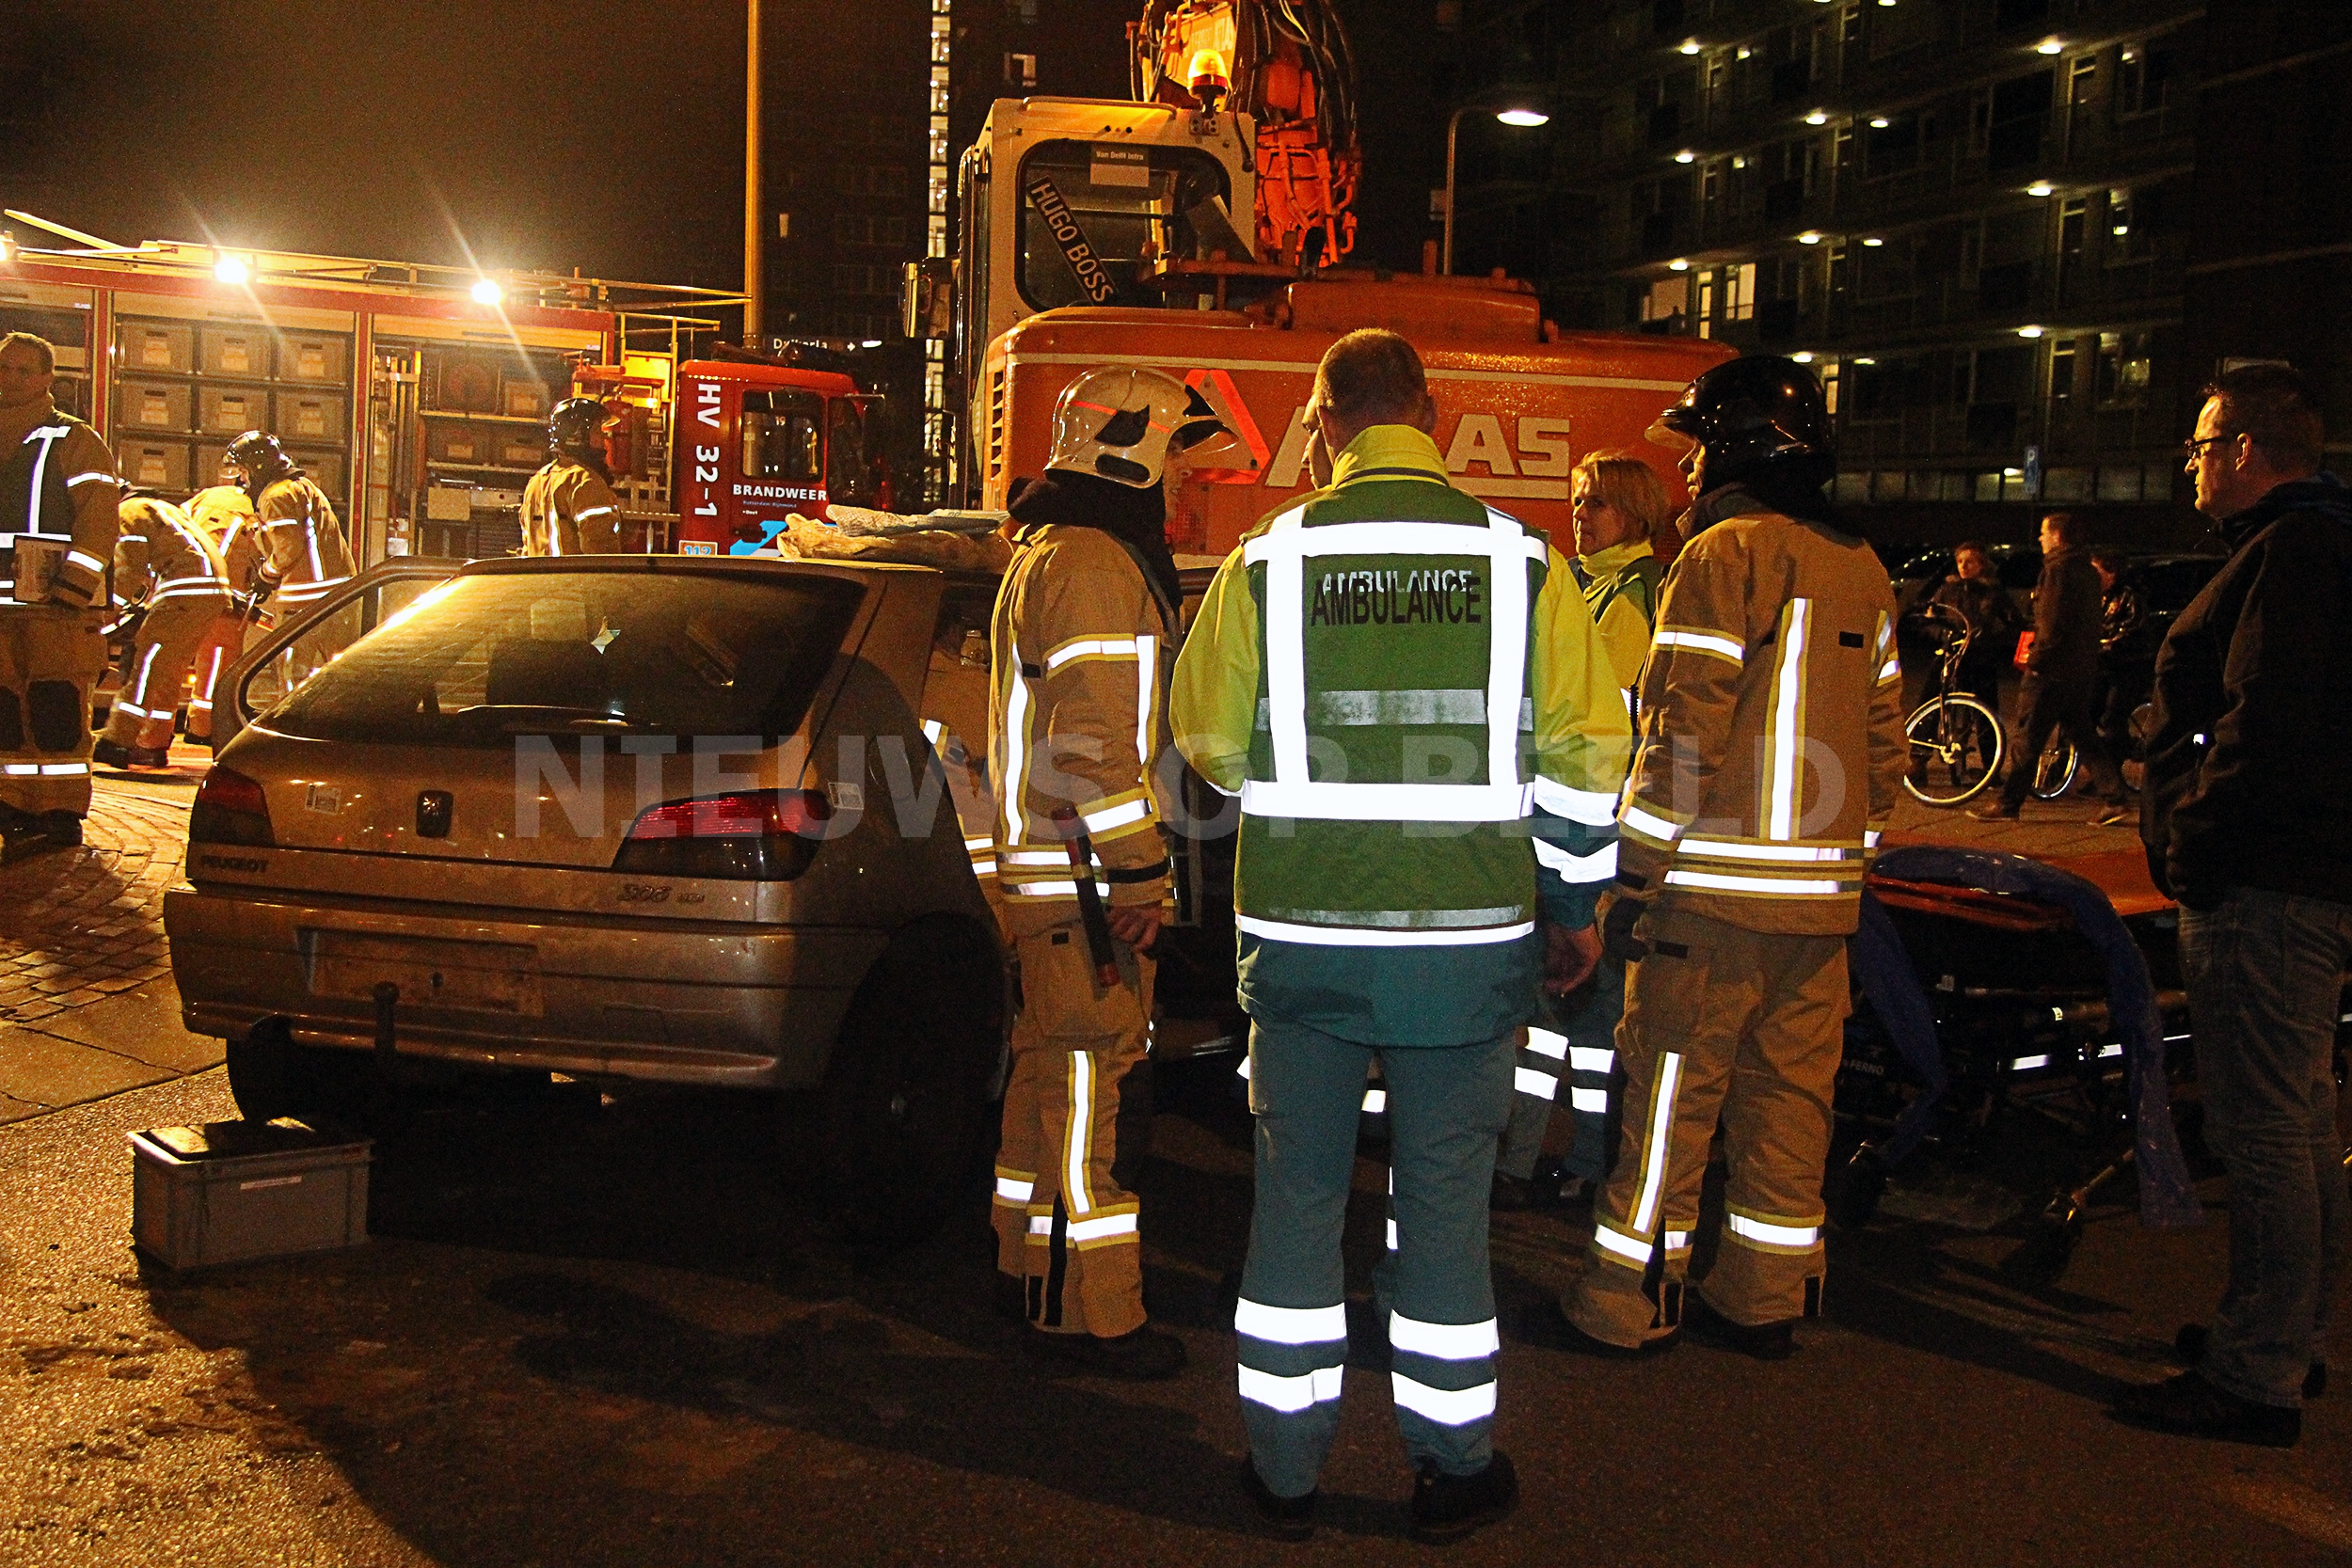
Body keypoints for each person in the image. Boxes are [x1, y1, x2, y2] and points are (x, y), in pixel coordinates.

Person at [1171, 329, 1629, 1542]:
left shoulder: (1266, 559)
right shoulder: (1521, 562)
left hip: (1303, 945)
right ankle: (1450, 1467)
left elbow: (1207, 745)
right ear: (1428, 413)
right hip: (1465, 949)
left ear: (1323, 423)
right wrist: (1572, 906)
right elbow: (1589, 756)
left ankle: (1283, 1473)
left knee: (1294, 1202)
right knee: (1441, 1210)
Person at [1542, 354, 1904, 1363]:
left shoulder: (1719, 553)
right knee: (1789, 1105)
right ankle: (1762, 1296)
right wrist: (1845, 866)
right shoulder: (1862, 567)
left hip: (1707, 906)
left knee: (1668, 1105)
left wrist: (1632, 874)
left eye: (1697, 445)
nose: (1689, 467)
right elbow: (1884, 746)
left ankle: (1625, 1301)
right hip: (1820, 911)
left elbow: (1682, 732)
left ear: (1743, 445)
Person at [2112, 363, 2349, 1449]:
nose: (2192, 465)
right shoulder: (2317, 543)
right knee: (2298, 1120)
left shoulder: (2290, 553)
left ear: (2245, 450)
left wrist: (2193, 839)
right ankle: (2287, 1336)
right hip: (2301, 873)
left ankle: (2254, 1375)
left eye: (2202, 446)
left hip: (2264, 882)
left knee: (2261, 1131)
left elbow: (2268, 723)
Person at [986, 365, 1228, 1381]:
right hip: (1085, 885)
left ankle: (1024, 1269)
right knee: (1090, 1104)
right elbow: (1089, 746)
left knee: (1047, 1085)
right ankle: (1094, 1313)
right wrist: (1137, 875)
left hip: (1053, 881)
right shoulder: (1092, 562)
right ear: (1132, 454)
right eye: (1180, 460)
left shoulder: (1057, 549)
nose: (1189, 484)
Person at [1494, 449, 1671, 1209]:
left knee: (1590, 1016)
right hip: (1574, 823)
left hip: (1595, 830)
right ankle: (1528, 1155)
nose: (1580, 513)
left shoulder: (1627, 596)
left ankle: (1587, 1162)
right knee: (1555, 1011)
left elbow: (1589, 723)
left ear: (1633, 512)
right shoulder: (1587, 584)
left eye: (1596, 502)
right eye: (1577, 500)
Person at [0, 331, 119, 860]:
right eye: (4, 367)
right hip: (4, 609)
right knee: (4, 710)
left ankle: (59, 811)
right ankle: (10, 804)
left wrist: (73, 588)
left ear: (48, 378)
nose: (11, 378)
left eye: (24, 370)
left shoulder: (74, 440)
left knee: (56, 707)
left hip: (55, 611)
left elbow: (100, 520)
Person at [1969, 512, 2127, 824]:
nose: (2040, 538)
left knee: (2029, 737)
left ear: (2057, 536)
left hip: (2051, 670)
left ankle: (2007, 803)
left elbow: (2052, 622)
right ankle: (2115, 797)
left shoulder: (2057, 570)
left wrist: (2037, 660)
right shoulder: (2086, 571)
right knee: (2082, 734)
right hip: (2079, 668)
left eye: (2044, 532)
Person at [92, 490, 233, 768]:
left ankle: (117, 741)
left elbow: (128, 572)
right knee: (167, 668)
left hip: (185, 591)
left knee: (146, 665)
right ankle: (152, 745)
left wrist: (105, 616)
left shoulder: (127, 513)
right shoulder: (164, 511)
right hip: (211, 592)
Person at [223, 430, 354, 685]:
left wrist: (265, 576)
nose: (242, 480)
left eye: (243, 472)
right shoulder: (302, 486)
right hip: (339, 597)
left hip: (303, 601)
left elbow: (287, 549)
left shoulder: (275, 496)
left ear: (257, 469)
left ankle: (291, 714)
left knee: (292, 673)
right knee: (343, 674)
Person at [1918, 539, 2025, 708]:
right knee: (1932, 697)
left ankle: (1985, 724)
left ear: (1981, 565)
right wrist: (1944, 634)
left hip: (1981, 656)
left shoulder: (1992, 591)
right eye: (1960, 561)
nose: (1963, 566)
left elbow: (2015, 622)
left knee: (1984, 705)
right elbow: (1928, 620)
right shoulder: (1948, 589)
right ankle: (1926, 723)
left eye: (1969, 562)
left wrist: (1992, 638)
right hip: (1951, 652)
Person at [521, 397, 625, 556]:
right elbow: (601, 554)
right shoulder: (585, 482)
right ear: (577, 436)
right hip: (574, 573)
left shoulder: (536, 481)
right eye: (597, 431)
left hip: (539, 573)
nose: (604, 440)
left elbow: (528, 547)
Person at [2089, 547, 2153, 771]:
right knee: (2087, 713)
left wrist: (2106, 643)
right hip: (2105, 665)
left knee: (2113, 717)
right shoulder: (2098, 597)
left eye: (2096, 571)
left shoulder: (2130, 597)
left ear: (2111, 573)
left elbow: (2131, 630)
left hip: (2130, 666)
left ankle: (2114, 769)